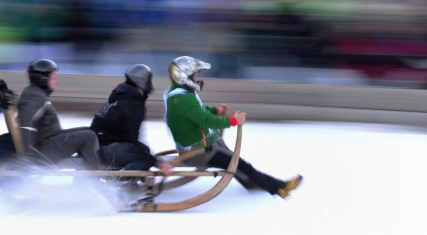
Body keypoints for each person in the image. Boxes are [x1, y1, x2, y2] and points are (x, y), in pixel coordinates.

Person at [164, 56, 302, 199]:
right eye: (195, 75)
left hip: (205, 143)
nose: (197, 78)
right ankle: (279, 188)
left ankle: (251, 183)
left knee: (235, 162)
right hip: (199, 152)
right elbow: (207, 120)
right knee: (240, 164)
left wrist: (215, 111)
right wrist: (234, 120)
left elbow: (197, 111)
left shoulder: (178, 93)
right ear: (183, 76)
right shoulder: (182, 99)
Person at [90, 64, 173, 187]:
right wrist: (158, 163)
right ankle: (116, 184)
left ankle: (122, 177)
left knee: (145, 151)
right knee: (145, 159)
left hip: (96, 145)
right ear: (144, 81)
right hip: (104, 150)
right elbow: (133, 141)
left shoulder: (121, 95)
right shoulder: (133, 104)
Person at [17, 59, 101, 170]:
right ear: (43, 78)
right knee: (88, 137)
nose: (56, 82)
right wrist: (28, 157)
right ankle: (94, 181)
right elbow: (26, 123)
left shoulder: (34, 93)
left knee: (89, 132)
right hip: (41, 152)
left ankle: (87, 176)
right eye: (54, 78)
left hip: (45, 144)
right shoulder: (36, 97)